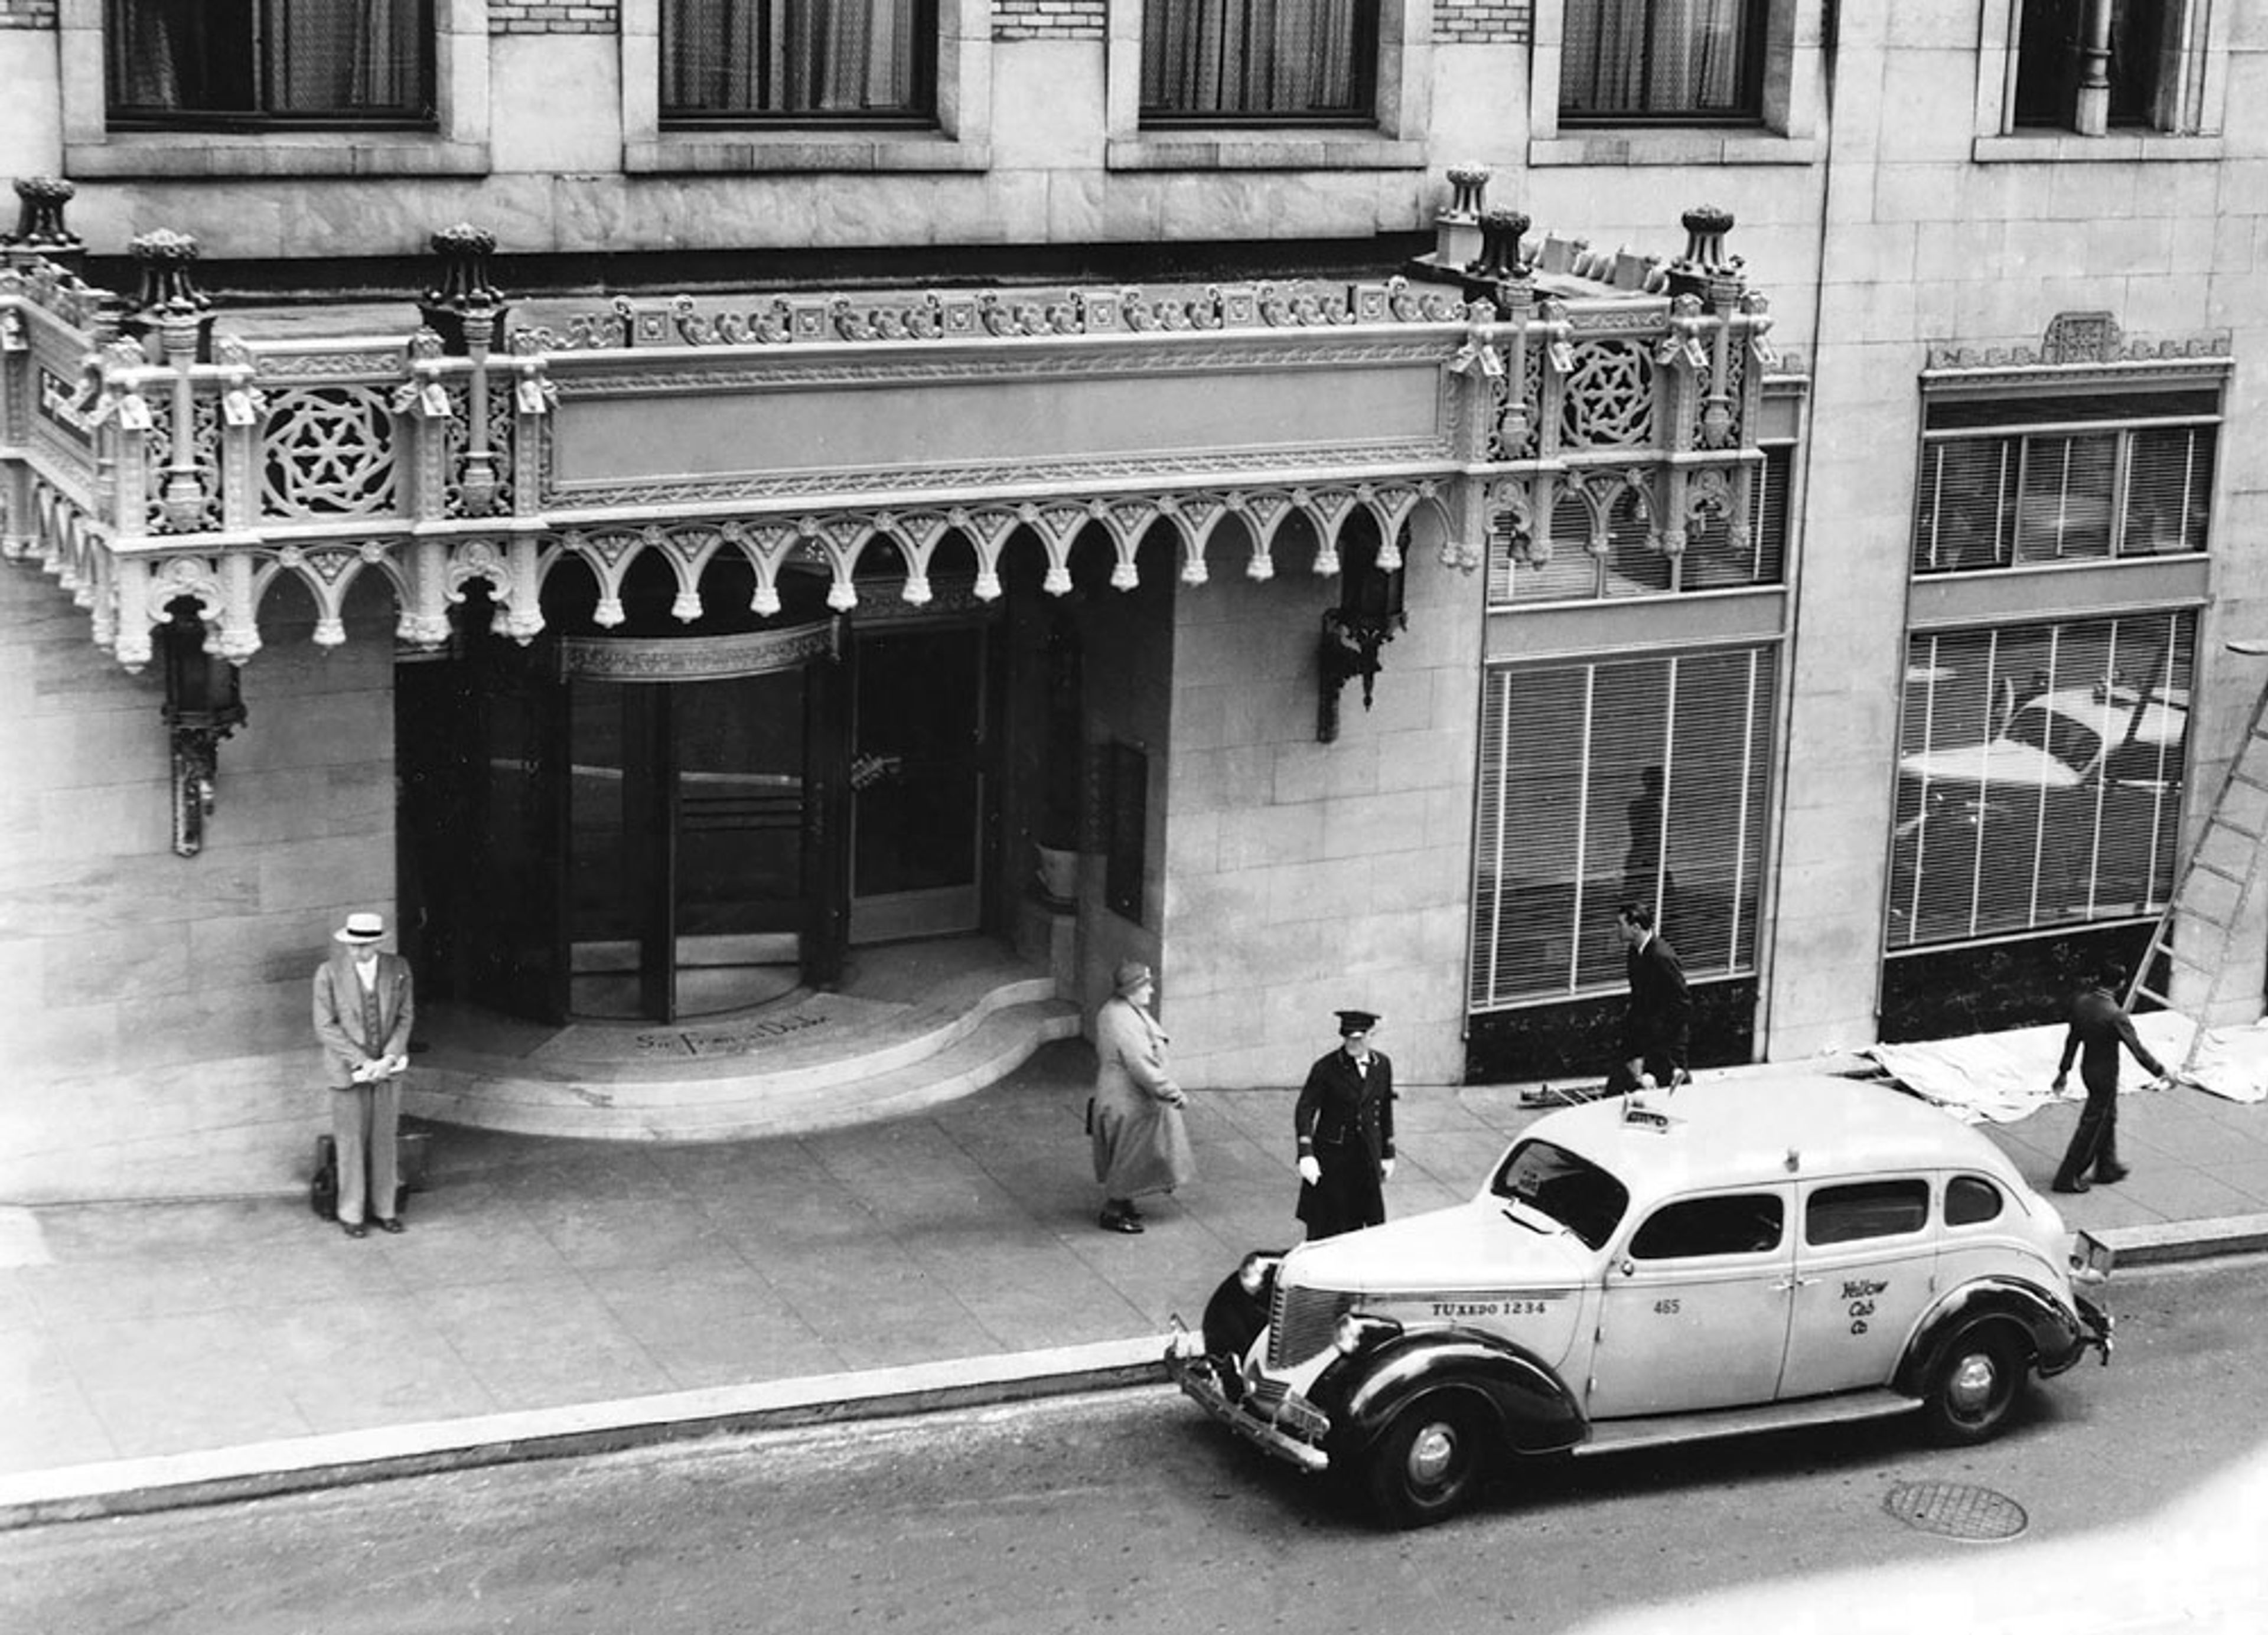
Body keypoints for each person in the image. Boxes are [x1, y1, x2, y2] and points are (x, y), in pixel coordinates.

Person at [313, 910, 415, 1238]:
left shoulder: (398, 969)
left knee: (385, 1139)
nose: (359, 951)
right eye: (354, 945)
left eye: (366, 946)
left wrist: (388, 1058)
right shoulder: (328, 974)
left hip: (387, 1068)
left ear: (378, 943)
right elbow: (325, 1026)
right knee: (351, 1141)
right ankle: (351, 1213)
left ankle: (385, 1209)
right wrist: (361, 1061)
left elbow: (405, 1017)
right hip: (348, 1072)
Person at [1089, 960, 1194, 1233]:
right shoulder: (1123, 1019)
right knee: (1129, 1156)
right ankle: (1114, 1211)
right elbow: (1142, 1066)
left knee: (1129, 1154)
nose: (1151, 990)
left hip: (1126, 1097)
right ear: (1131, 990)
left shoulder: (1119, 1011)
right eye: (1146, 985)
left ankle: (1123, 1204)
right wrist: (1172, 1093)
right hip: (1130, 1101)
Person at [2051, 964, 2166, 1194]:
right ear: (2121, 983)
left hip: (2088, 1069)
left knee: (2107, 1117)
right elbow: (2138, 1050)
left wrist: (2064, 1071)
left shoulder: (2082, 1004)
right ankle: (2068, 1176)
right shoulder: (2115, 1015)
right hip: (2106, 1073)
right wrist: (2161, 1071)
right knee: (2093, 1125)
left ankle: (2107, 1167)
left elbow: (2072, 1040)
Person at [1295, 1009, 1395, 1239]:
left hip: (1366, 1158)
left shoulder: (1382, 1065)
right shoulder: (1326, 1068)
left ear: (1371, 1035)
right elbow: (1305, 1110)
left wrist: (1388, 1152)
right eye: (1348, 1037)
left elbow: (1385, 1109)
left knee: (1366, 1226)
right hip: (1334, 1160)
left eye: (1358, 1038)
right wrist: (1306, 1153)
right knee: (1328, 1224)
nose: (1352, 1043)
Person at [1608, 902, 1690, 1095]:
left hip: (1666, 1039)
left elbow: (1682, 1004)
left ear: (1636, 928)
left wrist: (1663, 1040)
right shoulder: (1635, 952)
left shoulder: (1662, 957)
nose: (1617, 929)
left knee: (1671, 1091)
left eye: (1620, 924)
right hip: (1643, 1031)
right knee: (1621, 1081)